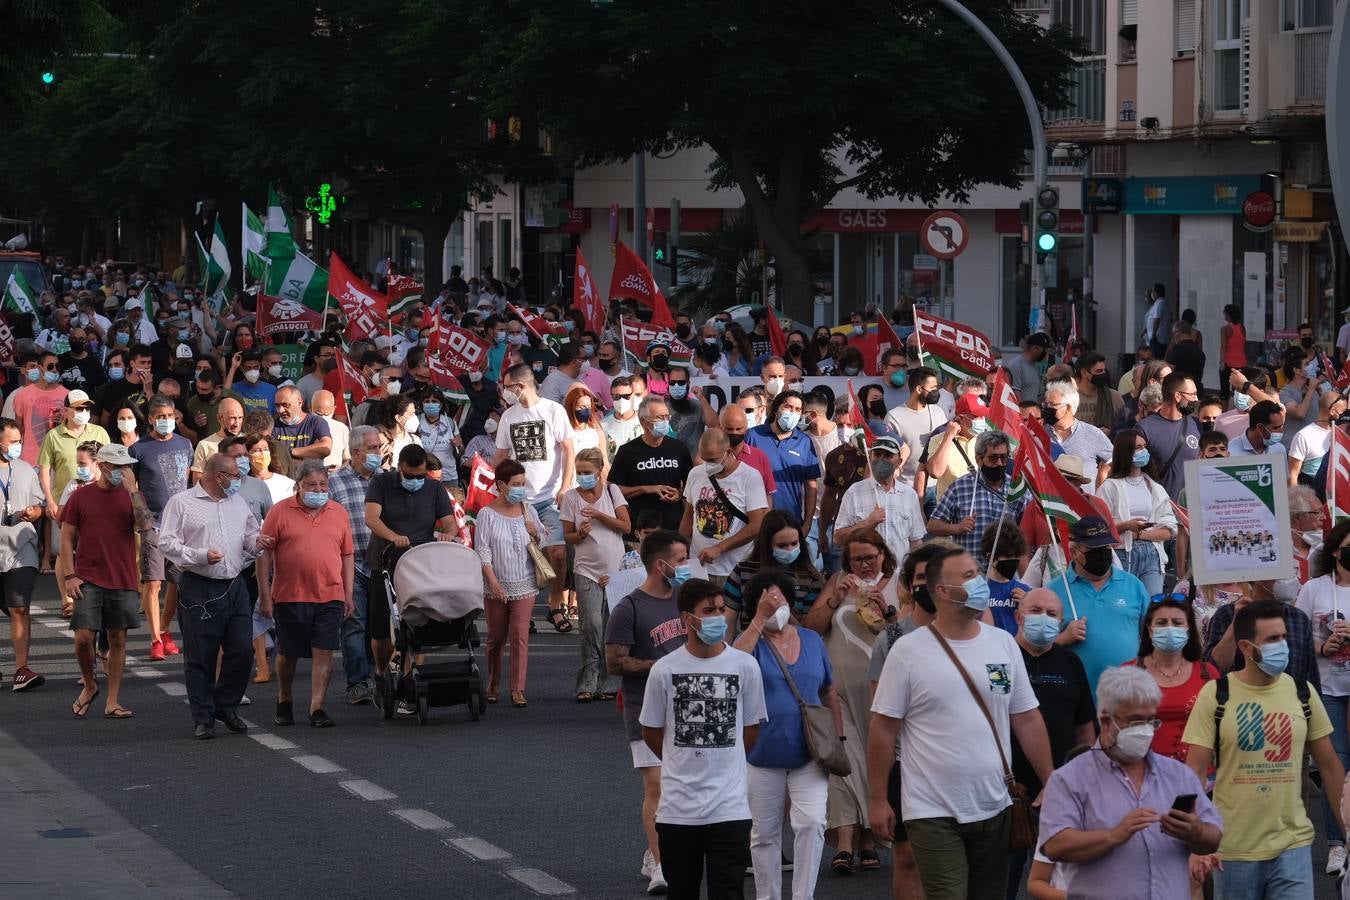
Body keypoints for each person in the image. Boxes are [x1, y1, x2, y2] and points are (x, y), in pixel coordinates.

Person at [867, 544, 1055, 899]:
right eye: (969, 576)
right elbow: (882, 727)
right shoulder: (907, 652)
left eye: (978, 573)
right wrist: (878, 798)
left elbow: (1026, 717)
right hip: (931, 809)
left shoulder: (1003, 644)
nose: (979, 583)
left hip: (995, 805)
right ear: (942, 590)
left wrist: (1051, 779)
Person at [1183, 599, 1346, 898]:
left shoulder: (1302, 692)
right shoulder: (1216, 694)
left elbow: (1330, 766)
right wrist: (1197, 842)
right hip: (1232, 849)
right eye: (1272, 639)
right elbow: (1194, 769)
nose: (1282, 645)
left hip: (1293, 845)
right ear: (1246, 648)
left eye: (1283, 637)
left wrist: (1347, 833)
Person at [1038, 666, 1222, 899]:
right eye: (1135, 721)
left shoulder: (1179, 775)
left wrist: (1195, 832)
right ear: (1105, 721)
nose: (1145, 730)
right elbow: (1055, 845)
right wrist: (1114, 835)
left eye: (1151, 721)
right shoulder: (1069, 779)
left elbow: (1214, 837)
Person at [639, 577, 767, 900]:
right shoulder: (664, 670)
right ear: (687, 618)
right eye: (708, 611)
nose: (718, 618)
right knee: (682, 893)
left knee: (729, 891)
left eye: (722, 610)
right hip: (678, 811)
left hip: (731, 809)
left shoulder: (745, 666)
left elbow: (751, 730)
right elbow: (651, 732)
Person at [732, 569, 841, 900]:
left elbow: (828, 689)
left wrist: (838, 736)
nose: (775, 606)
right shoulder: (752, 643)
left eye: (779, 599)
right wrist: (758, 621)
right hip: (761, 754)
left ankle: (803, 896)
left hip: (809, 751)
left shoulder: (811, 639)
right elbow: (735, 664)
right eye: (767, 601)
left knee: (811, 824)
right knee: (764, 834)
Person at [802, 530, 899, 874]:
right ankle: (845, 842)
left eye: (870, 557)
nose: (864, 564)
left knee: (875, 760)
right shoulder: (839, 581)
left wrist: (887, 612)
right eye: (857, 559)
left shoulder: (899, 584)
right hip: (838, 688)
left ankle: (870, 837)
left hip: (882, 692)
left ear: (883, 554)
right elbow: (810, 629)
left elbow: (907, 637)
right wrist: (834, 599)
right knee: (843, 758)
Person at [159, 453, 273, 739]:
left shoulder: (237, 502)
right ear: (217, 475)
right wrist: (199, 556)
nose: (238, 481)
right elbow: (166, 542)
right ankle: (203, 717)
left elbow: (249, 535)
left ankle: (226, 704)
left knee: (241, 651)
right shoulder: (182, 503)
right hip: (199, 585)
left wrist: (258, 542)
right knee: (201, 655)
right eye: (234, 476)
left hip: (234, 585)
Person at [605, 530, 692, 895]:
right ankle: (660, 866)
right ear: (662, 564)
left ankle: (652, 848)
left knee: (681, 789)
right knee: (656, 786)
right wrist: (659, 666)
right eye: (683, 559)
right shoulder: (630, 608)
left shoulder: (688, 601)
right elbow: (614, 662)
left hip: (688, 710)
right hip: (646, 712)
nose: (689, 565)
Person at [1004, 588, 1097, 897]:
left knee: (1058, 882)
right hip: (1005, 792)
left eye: (1052, 614)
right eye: (1035, 611)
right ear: (1018, 616)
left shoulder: (1071, 662)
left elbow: (1085, 730)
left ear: (1060, 623)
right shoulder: (1000, 658)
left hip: (1061, 791)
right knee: (1002, 881)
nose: (1043, 619)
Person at [257, 461, 353, 728]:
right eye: (312, 485)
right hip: (290, 594)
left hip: (330, 594)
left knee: (324, 650)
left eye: (323, 485)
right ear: (298, 485)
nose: (318, 490)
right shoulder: (280, 511)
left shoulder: (338, 512)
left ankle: (317, 707)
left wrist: (348, 593)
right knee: (288, 653)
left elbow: (347, 555)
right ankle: (285, 697)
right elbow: (264, 554)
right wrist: (265, 594)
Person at [61, 442, 149, 717]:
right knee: (83, 637)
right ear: (103, 466)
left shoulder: (132, 495)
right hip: (88, 576)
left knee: (118, 638)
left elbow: (145, 525)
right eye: (118, 467)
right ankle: (90, 684)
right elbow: (66, 537)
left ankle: (112, 700)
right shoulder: (81, 496)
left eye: (127, 467)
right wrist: (70, 575)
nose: (123, 472)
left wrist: (133, 491)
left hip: (122, 577)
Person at [363, 444, 456, 703]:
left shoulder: (435, 488)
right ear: (399, 467)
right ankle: (382, 671)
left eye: (420, 476)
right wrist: (393, 537)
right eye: (410, 476)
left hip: (419, 566)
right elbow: (372, 518)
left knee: (418, 625)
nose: (416, 481)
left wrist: (449, 532)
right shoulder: (381, 483)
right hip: (385, 563)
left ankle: (409, 679)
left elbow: (449, 520)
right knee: (381, 633)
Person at [492, 363, 574, 633]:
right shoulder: (508, 417)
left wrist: (564, 488)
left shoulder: (553, 410)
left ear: (520, 386)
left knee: (557, 553)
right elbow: (501, 455)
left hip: (550, 496)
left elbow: (568, 451)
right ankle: (523, 609)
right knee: (519, 557)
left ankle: (554, 605)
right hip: (519, 499)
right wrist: (497, 488)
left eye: (507, 386)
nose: (505, 392)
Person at [1295, 521, 1350, 872]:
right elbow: (1297, 639)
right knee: (1336, 767)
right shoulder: (1314, 589)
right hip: (1327, 691)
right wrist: (1322, 645)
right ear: (1334, 551)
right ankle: (1337, 842)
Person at [1049, 515, 1152, 692]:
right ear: (1074, 552)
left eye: (1105, 548)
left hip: (1128, 694)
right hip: (1077, 696)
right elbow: (1035, 646)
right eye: (1093, 550)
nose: (1102, 555)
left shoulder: (1133, 585)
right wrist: (1062, 638)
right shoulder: (1055, 590)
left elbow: (1151, 635)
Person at [562, 448, 629, 702]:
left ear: (600, 471)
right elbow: (567, 534)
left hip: (614, 569)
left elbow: (626, 526)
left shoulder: (613, 492)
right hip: (586, 568)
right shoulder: (571, 497)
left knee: (612, 626)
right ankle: (588, 681)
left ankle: (609, 682)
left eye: (587, 473)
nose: (582, 477)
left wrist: (600, 515)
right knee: (591, 624)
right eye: (579, 473)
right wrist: (579, 534)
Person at [130, 394, 192, 662]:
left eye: (170, 416)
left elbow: (188, 481)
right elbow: (132, 487)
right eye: (161, 417)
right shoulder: (138, 449)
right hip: (153, 523)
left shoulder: (186, 444)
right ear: (152, 419)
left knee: (177, 583)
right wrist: (141, 519)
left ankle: (166, 629)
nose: (166, 421)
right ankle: (155, 638)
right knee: (153, 582)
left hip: (181, 525)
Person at [1121, 595, 1219, 764]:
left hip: (1199, 776)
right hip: (1144, 774)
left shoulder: (1208, 674)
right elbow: (1113, 728)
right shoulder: (1127, 673)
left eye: (1177, 622)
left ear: (1188, 629)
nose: (1169, 628)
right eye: (1161, 623)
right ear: (1150, 631)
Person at [327, 426, 382, 705]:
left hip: (383, 566)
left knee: (381, 626)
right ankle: (358, 683)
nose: (378, 453)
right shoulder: (334, 482)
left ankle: (380, 677)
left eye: (379, 447)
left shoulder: (387, 480)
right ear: (356, 452)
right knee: (354, 625)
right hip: (351, 566)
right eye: (372, 448)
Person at [680, 428, 768, 588]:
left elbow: (757, 525)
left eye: (713, 460)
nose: (707, 465)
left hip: (733, 570)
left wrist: (719, 548)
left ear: (728, 452)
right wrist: (679, 550)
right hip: (698, 567)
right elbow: (688, 515)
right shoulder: (695, 474)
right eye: (704, 459)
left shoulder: (750, 477)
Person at [1096, 429, 1178, 597]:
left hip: (1152, 554)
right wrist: (1126, 527)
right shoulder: (1109, 487)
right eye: (1138, 448)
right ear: (1125, 452)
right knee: (1124, 603)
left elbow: (1169, 530)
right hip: (1121, 554)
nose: (1144, 451)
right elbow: (1099, 530)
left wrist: (1139, 535)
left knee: (1151, 605)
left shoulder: (1155, 487)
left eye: (1144, 447)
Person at [0, 418, 49, 692]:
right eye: (13, 442)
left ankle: (22, 669)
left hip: (21, 549)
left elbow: (41, 505)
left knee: (19, 607)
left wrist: (35, 512)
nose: (17, 446)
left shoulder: (25, 470)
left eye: (20, 441)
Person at [927, 430, 1027, 562]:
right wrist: (957, 528)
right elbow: (933, 525)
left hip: (1005, 574)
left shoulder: (1016, 489)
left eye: (1003, 458)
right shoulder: (960, 487)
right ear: (979, 459)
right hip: (970, 573)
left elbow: (1028, 529)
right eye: (993, 458)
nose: (999, 463)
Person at [37, 390, 109, 571]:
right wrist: (50, 501)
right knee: (64, 549)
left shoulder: (100, 432)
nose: (84, 412)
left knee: (95, 547)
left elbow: (109, 465)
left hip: (97, 501)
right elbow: (44, 469)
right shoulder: (53, 436)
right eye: (78, 408)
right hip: (64, 500)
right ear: (66, 410)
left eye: (87, 408)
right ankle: (66, 597)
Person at [833, 434, 924, 572]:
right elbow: (838, 538)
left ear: (898, 462)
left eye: (887, 456)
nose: (881, 460)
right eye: (877, 454)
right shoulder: (854, 492)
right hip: (864, 577)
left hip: (899, 576)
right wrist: (867, 524)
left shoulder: (909, 495)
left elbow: (916, 542)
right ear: (870, 457)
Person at [611, 393, 693, 538]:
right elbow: (612, 489)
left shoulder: (679, 448)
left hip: (672, 529)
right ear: (643, 422)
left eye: (667, 416)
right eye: (659, 417)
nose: (665, 421)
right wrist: (645, 489)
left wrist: (679, 493)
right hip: (640, 531)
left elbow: (691, 483)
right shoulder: (627, 451)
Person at [746, 390, 819, 537]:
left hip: (792, 524)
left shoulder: (804, 442)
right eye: (788, 407)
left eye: (798, 409)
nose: (792, 412)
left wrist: (807, 524)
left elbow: (811, 486)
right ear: (776, 409)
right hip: (756, 524)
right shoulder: (753, 436)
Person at [1136, 372, 1202, 498]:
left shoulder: (1196, 425)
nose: (1196, 399)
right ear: (1177, 396)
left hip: (1190, 509)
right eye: (1192, 394)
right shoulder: (1144, 429)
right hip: (1158, 508)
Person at [1042, 380, 1113, 489]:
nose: (1047, 408)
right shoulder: (1040, 433)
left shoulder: (1092, 433)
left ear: (1068, 408)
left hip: (1083, 502)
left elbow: (1114, 461)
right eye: (1046, 404)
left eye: (1052, 404)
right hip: (1050, 501)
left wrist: (1101, 482)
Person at [9, 350, 70, 466]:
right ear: (39, 367)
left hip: (58, 460)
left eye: (57, 366)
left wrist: (64, 423)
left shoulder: (68, 395)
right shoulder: (22, 395)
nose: (55, 369)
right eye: (50, 366)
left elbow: (74, 430)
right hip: (30, 461)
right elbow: (18, 428)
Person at [982, 521, 1031, 636]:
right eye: (1008, 556)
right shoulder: (980, 589)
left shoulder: (1025, 591)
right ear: (990, 557)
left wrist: (1028, 605)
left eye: (1015, 556)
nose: (1013, 561)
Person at [1289, 390, 1343, 486]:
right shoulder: (1303, 436)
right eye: (1343, 412)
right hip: (1314, 496)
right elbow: (1293, 475)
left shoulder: (1343, 434)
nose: (1345, 417)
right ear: (1332, 411)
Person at [272, 385, 333, 467]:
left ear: (299, 403)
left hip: (310, 477)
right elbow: (272, 456)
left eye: (285, 405)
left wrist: (290, 452)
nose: (280, 410)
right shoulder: (273, 426)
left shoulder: (316, 422)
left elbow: (326, 448)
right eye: (277, 405)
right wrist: (309, 454)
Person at [243, 433, 295, 506]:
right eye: (257, 450)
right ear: (247, 455)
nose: (263, 453)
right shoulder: (242, 484)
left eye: (265, 449)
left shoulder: (286, 483)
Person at [1003, 333, 1051, 404]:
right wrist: (1024, 411)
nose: (1045, 354)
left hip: (1033, 412)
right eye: (1043, 350)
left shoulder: (1035, 367)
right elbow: (1014, 393)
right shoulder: (1016, 365)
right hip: (1022, 412)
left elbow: (1036, 394)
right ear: (1035, 348)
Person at [310, 390, 350, 471]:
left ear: (334, 409)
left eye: (327, 414)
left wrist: (339, 469)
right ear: (310, 408)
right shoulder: (303, 427)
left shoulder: (342, 429)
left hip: (335, 477)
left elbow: (348, 459)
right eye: (319, 414)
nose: (323, 418)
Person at [1220, 303, 1247, 393]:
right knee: (1239, 390)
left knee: (1225, 390)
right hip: (1242, 363)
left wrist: (1222, 362)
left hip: (1228, 363)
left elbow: (1223, 346)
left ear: (1228, 314)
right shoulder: (1242, 327)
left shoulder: (1225, 329)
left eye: (1224, 312)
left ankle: (1225, 407)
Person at [1145, 284, 1172, 360]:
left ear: (1156, 293)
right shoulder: (1163, 303)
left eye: (1153, 292)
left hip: (1157, 338)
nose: (1151, 294)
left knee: (1156, 359)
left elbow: (1157, 319)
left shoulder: (1160, 303)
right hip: (1161, 337)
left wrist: (1153, 334)